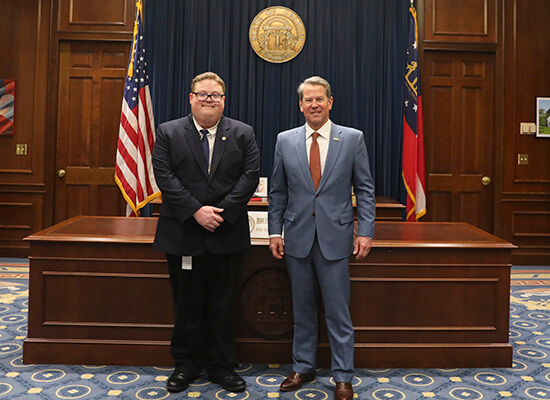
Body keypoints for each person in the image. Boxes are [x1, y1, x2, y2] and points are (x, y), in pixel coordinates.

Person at [268, 76, 375, 400]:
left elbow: (365, 191)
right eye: (308, 100)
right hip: (297, 237)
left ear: (330, 102)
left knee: (338, 312)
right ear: (300, 105)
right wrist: (275, 231)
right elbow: (278, 191)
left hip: (336, 238)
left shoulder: (352, 139)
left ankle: (343, 375)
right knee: (302, 310)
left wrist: (366, 231)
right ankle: (303, 366)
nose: (314, 105)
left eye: (319, 99)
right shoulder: (285, 140)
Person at [152, 72, 260, 393]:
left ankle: (222, 366)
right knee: (186, 304)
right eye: (203, 94)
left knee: (222, 305)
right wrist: (196, 211)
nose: (208, 100)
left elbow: (249, 177)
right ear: (191, 98)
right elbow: (165, 176)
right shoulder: (168, 132)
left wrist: (220, 213)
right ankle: (185, 365)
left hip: (226, 233)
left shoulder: (243, 133)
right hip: (183, 232)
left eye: (215, 95)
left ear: (224, 100)